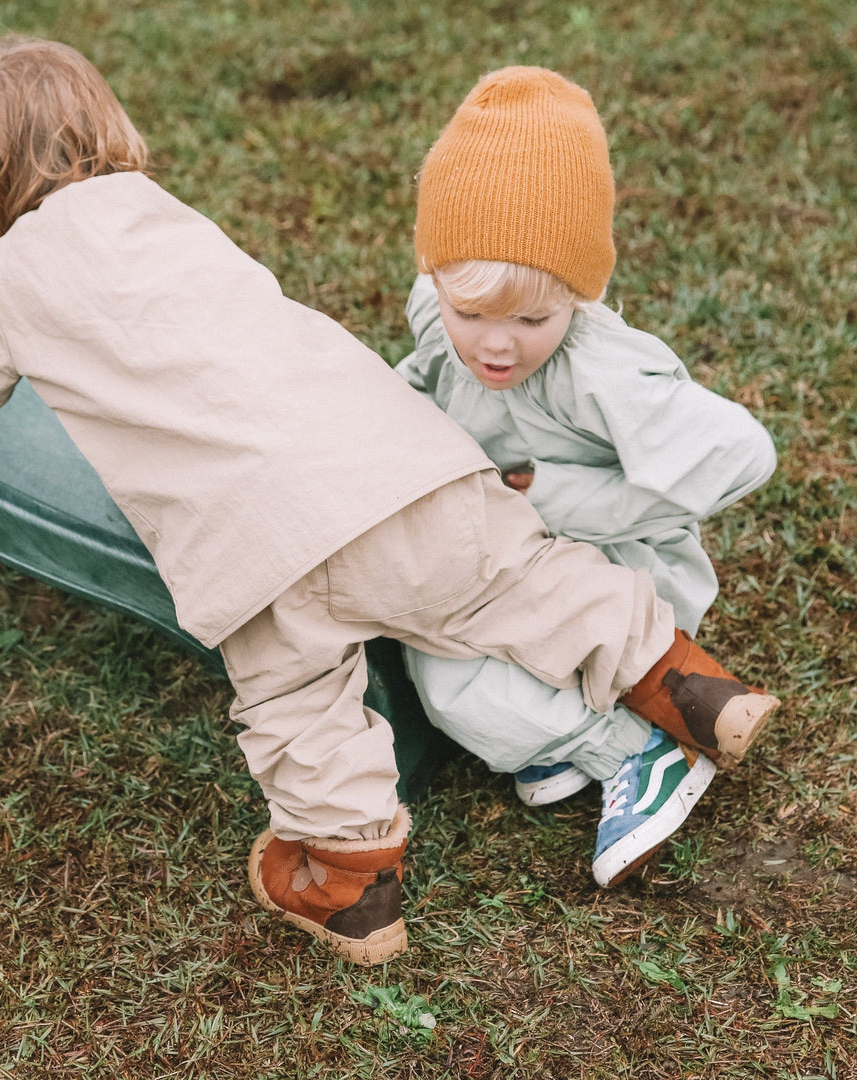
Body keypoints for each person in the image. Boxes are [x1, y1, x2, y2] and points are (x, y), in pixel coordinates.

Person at [0, 38, 779, 966]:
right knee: (520, 579)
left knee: (300, 706)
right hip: (390, 459)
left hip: (251, 544)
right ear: (106, 126)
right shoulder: (166, 213)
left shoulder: (8, 278)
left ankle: (352, 886)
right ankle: (691, 686)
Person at [395, 66, 777, 888]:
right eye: (472, 314)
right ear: (436, 279)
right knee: (436, 662)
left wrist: (562, 499)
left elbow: (746, 453)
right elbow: (422, 380)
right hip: (510, 557)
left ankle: (639, 751)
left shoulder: (596, 371)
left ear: (577, 292)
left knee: (452, 683)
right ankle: (562, 734)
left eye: (532, 319)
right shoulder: (437, 317)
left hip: (620, 575)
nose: (495, 346)